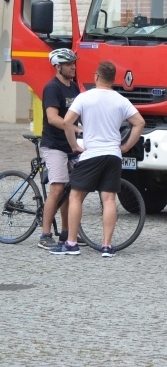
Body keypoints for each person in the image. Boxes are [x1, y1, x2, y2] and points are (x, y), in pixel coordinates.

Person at [50, 61, 145, 257]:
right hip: (113, 155)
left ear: (96, 76)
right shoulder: (120, 100)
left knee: (76, 197)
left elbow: (67, 122)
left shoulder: (85, 97)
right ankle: (107, 246)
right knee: (109, 199)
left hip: (92, 154)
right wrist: (126, 146)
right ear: (113, 79)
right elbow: (139, 122)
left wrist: (74, 145)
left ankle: (71, 243)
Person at [37, 49, 83, 249]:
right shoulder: (52, 88)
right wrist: (72, 127)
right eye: (69, 64)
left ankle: (66, 232)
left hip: (70, 145)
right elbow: (52, 118)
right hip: (54, 144)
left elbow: (80, 113)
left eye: (74, 63)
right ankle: (45, 234)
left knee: (71, 189)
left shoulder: (74, 88)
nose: (73, 67)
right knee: (57, 188)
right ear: (57, 67)